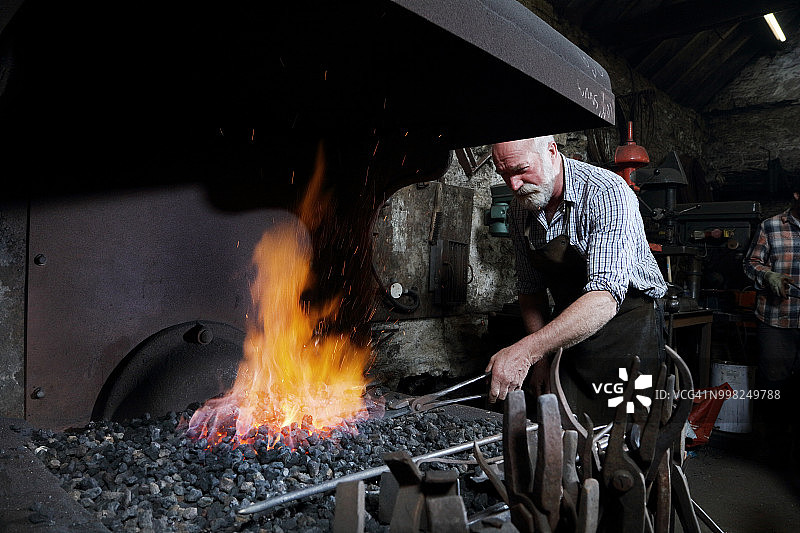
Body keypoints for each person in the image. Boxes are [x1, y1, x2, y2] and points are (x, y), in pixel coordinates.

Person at [485, 136, 667, 423]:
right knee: (570, 426)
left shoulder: (606, 192)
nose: (514, 185)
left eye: (521, 170)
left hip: (628, 325)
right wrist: (541, 359)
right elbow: (530, 291)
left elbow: (604, 298)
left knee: (634, 429)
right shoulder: (520, 212)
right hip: (570, 329)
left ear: (552, 151)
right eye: (504, 174)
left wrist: (526, 351)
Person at [743, 187, 800, 471]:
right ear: (797, 195)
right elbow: (751, 263)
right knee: (774, 386)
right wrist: (768, 275)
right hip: (777, 318)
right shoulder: (772, 225)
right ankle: (771, 454)